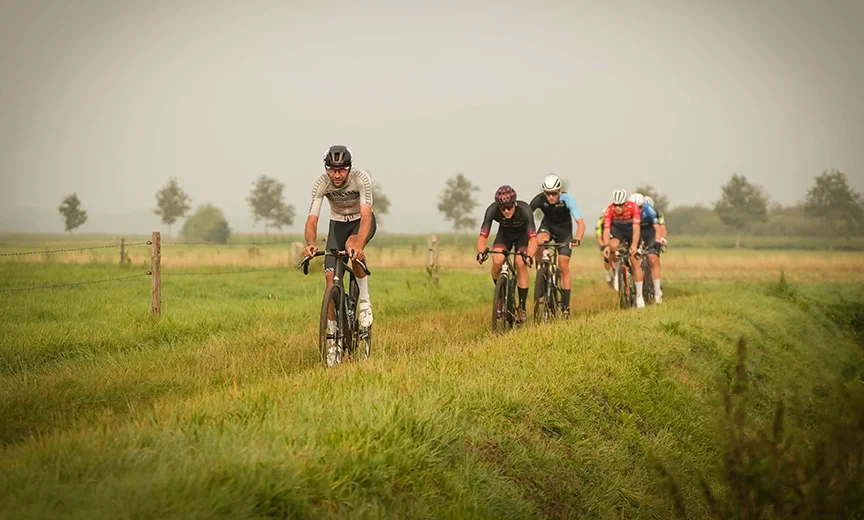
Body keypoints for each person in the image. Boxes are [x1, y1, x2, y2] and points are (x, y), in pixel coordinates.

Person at [302, 145, 376, 363]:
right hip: (337, 226)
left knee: (352, 246)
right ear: (327, 169)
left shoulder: (361, 179)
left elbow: (367, 218)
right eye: (332, 170)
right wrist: (311, 243)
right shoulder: (321, 183)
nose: (336, 174)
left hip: (359, 225)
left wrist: (359, 245)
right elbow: (312, 219)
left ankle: (364, 300)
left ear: (349, 168)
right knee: (330, 279)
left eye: (342, 170)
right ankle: (333, 338)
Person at [476, 185, 538, 323]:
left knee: (520, 263)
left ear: (515, 203)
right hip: (504, 236)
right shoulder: (492, 210)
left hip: (522, 237)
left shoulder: (525, 210)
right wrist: (481, 252)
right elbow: (482, 237)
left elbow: (533, 239)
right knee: (497, 261)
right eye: (502, 208)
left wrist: (530, 255)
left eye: (509, 207)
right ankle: (500, 296)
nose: (505, 211)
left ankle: (521, 308)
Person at [529, 174, 585, 317]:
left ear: (560, 191)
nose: (551, 197)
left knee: (563, 264)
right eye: (548, 194)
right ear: (544, 192)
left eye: (554, 193)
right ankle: (541, 275)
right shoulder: (539, 199)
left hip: (564, 231)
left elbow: (581, 223)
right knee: (538, 241)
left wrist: (577, 238)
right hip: (547, 226)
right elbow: (526, 217)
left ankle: (565, 308)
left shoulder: (568, 199)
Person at [601, 188, 645, 308]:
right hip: (619, 230)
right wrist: (606, 246)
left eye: (620, 205)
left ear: (625, 203)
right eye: (615, 205)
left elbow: (636, 229)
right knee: (613, 246)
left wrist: (635, 245)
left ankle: (639, 296)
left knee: (635, 261)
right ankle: (617, 273)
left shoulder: (633, 208)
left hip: (632, 231)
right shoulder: (610, 210)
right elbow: (606, 229)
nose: (617, 208)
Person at [632, 193, 664, 303]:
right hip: (637, 233)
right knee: (635, 259)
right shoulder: (628, 211)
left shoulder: (649, 210)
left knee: (652, 257)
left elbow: (657, 227)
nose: (638, 210)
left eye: (640, 207)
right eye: (636, 207)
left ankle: (657, 292)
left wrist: (658, 240)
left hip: (650, 233)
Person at [595, 213, 614, 289]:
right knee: (606, 256)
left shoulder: (616, 219)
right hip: (603, 238)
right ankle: (607, 273)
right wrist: (604, 246)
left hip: (613, 237)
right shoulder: (600, 221)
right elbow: (599, 237)